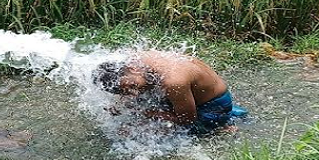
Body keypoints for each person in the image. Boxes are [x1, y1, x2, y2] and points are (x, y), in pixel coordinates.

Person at [94, 51, 246, 134]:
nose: (133, 93)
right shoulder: (134, 61)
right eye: (125, 92)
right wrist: (123, 101)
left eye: (132, 86)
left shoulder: (173, 81)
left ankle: (220, 128)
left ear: (132, 69)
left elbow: (187, 119)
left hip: (212, 107)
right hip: (190, 94)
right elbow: (128, 86)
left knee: (128, 131)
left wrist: (147, 113)